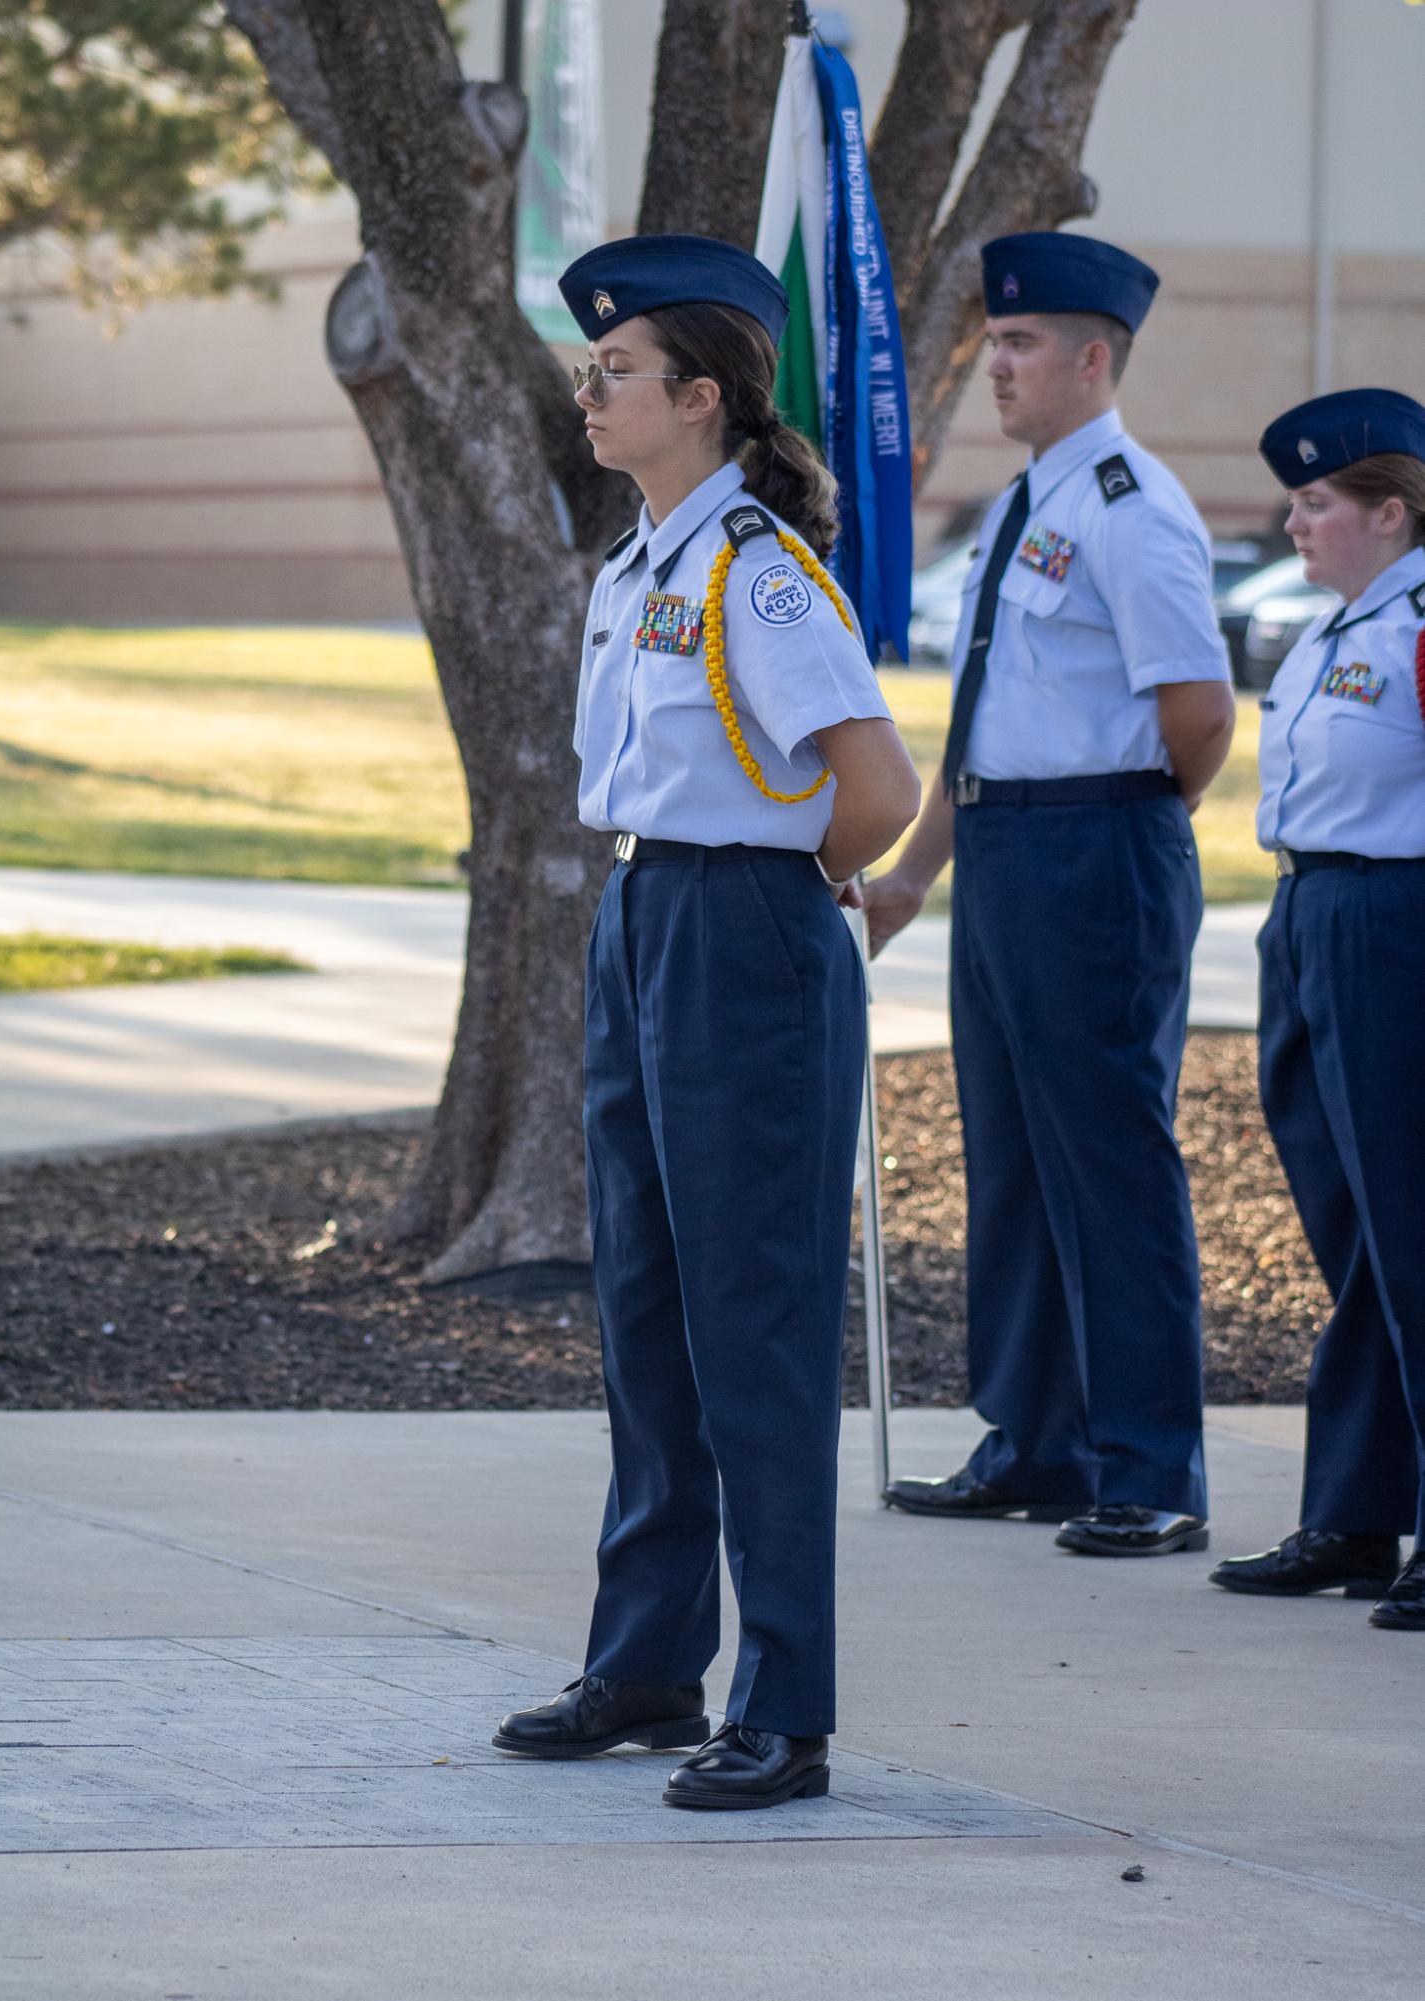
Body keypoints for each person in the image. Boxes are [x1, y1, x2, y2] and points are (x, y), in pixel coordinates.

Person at [492, 234, 921, 1806]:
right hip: (644, 917)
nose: (588, 391)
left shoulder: (757, 569)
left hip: (738, 925)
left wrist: (768, 896)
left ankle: (783, 1703)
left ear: (702, 396)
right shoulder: (639, 564)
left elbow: (873, 789)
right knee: (651, 1316)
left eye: (614, 371)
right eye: (587, 369)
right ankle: (648, 1663)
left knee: (752, 1324)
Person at [866, 232, 1235, 1557]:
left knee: (1108, 1161)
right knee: (1012, 1156)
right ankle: (1036, 1440)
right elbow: (992, 716)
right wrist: (913, 873)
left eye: (1019, 346)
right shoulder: (1029, 505)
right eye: (992, 344)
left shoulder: (1132, 510)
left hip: (1094, 852)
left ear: (1091, 358)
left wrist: (1122, 825)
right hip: (1007, 853)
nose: (996, 367)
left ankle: (1147, 1467)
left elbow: (1195, 717)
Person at [1209, 389, 1425, 1630]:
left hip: (1393, 925)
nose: (1291, 522)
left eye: (1316, 502)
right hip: (1308, 925)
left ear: (1387, 511)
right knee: (1352, 1240)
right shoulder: (1337, 626)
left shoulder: (1416, 625)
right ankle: (1353, 1514)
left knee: (1410, 1229)